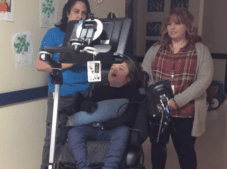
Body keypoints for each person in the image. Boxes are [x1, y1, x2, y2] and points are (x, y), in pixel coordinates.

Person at [142, 8, 213, 169]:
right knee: (158, 150)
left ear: (188, 26)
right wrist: (157, 97)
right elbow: (145, 76)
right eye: (169, 23)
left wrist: (178, 101)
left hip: (185, 113)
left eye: (177, 23)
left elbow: (204, 80)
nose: (172, 27)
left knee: (185, 151)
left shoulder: (200, 50)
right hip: (159, 111)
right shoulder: (155, 49)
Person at [35, 1, 91, 169]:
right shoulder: (54, 34)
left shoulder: (90, 37)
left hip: (85, 94)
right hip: (61, 94)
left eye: (84, 13)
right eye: (76, 11)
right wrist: (68, 64)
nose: (80, 16)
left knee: (83, 139)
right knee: (53, 139)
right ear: (67, 13)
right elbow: (39, 64)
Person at [66, 58, 143, 169]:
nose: (114, 70)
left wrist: (115, 123)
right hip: (93, 127)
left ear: (130, 77)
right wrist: (85, 105)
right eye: (112, 68)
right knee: (74, 132)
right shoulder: (99, 89)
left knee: (122, 131)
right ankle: (83, 166)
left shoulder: (131, 91)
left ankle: (110, 166)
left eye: (120, 69)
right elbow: (88, 107)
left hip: (113, 129)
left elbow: (131, 114)